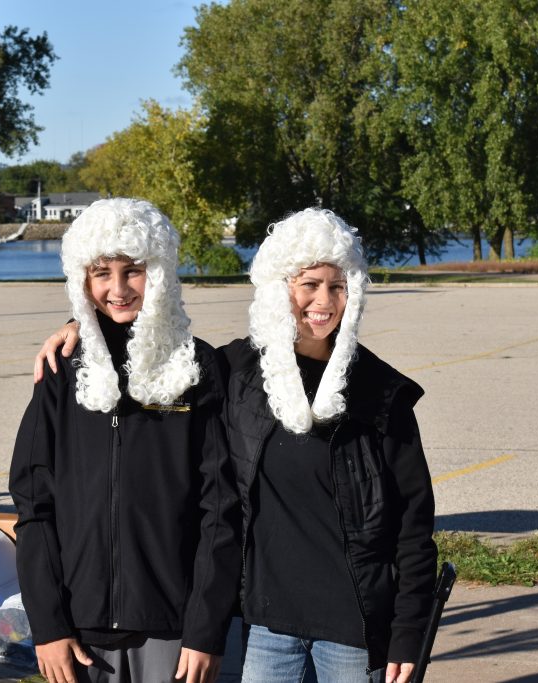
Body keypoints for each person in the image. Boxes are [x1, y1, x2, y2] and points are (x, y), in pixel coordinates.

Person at [34, 208, 437, 683]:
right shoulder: (240, 371)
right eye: (307, 284)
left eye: (337, 285)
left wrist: (408, 628)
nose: (323, 301)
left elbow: (414, 524)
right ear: (280, 288)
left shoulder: (380, 394)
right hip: (267, 627)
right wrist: (80, 324)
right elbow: (133, 330)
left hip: (354, 628)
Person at [10, 198, 240, 683]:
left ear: (158, 273)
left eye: (133, 271)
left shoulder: (197, 369)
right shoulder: (61, 369)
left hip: (171, 629)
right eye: (101, 273)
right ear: (82, 280)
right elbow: (34, 507)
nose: (117, 288)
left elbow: (220, 510)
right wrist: (48, 625)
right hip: (79, 629)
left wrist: (205, 630)